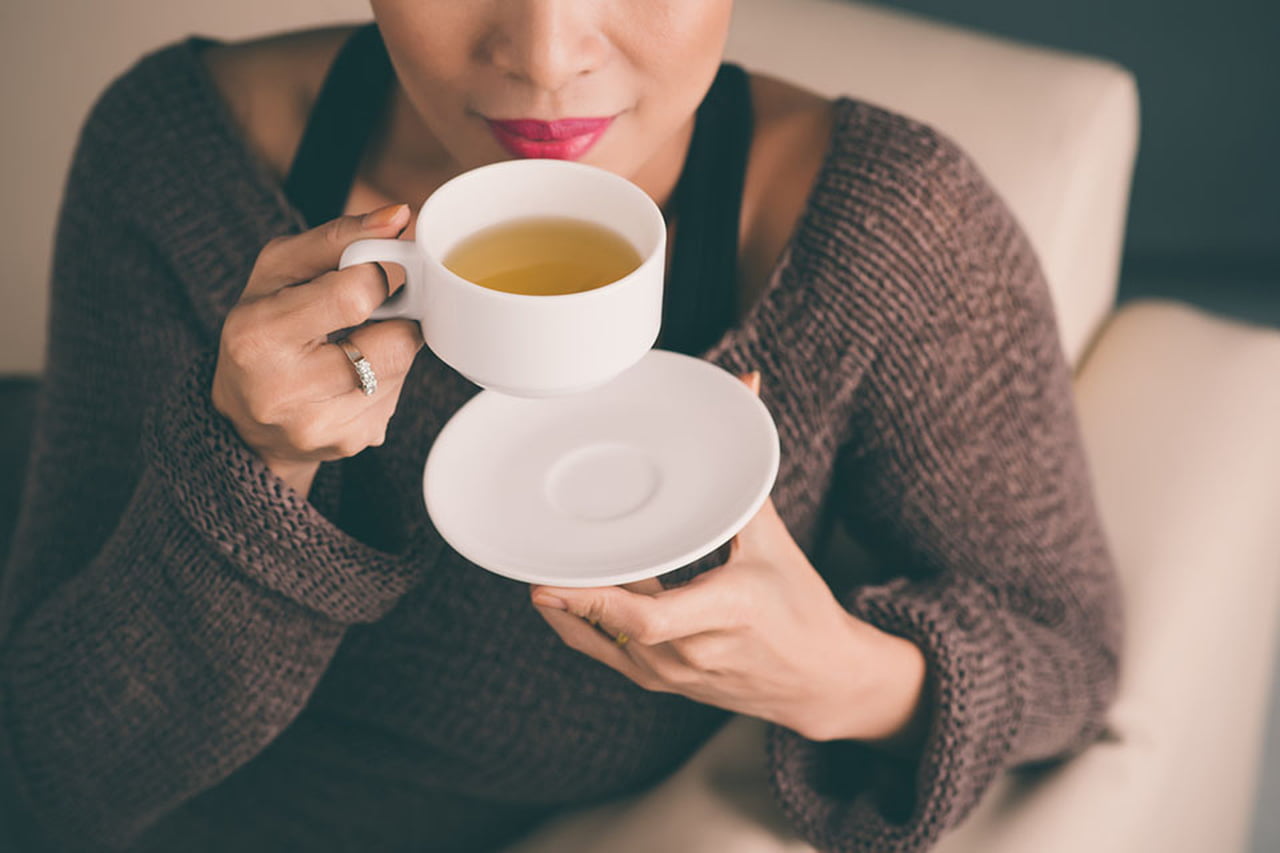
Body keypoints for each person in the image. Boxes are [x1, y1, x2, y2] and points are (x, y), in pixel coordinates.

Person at [0, 2, 1122, 851]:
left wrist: (834, 675)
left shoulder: (883, 233)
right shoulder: (180, 155)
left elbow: (1071, 657)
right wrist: (259, 462)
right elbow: (49, 779)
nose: (544, 55)